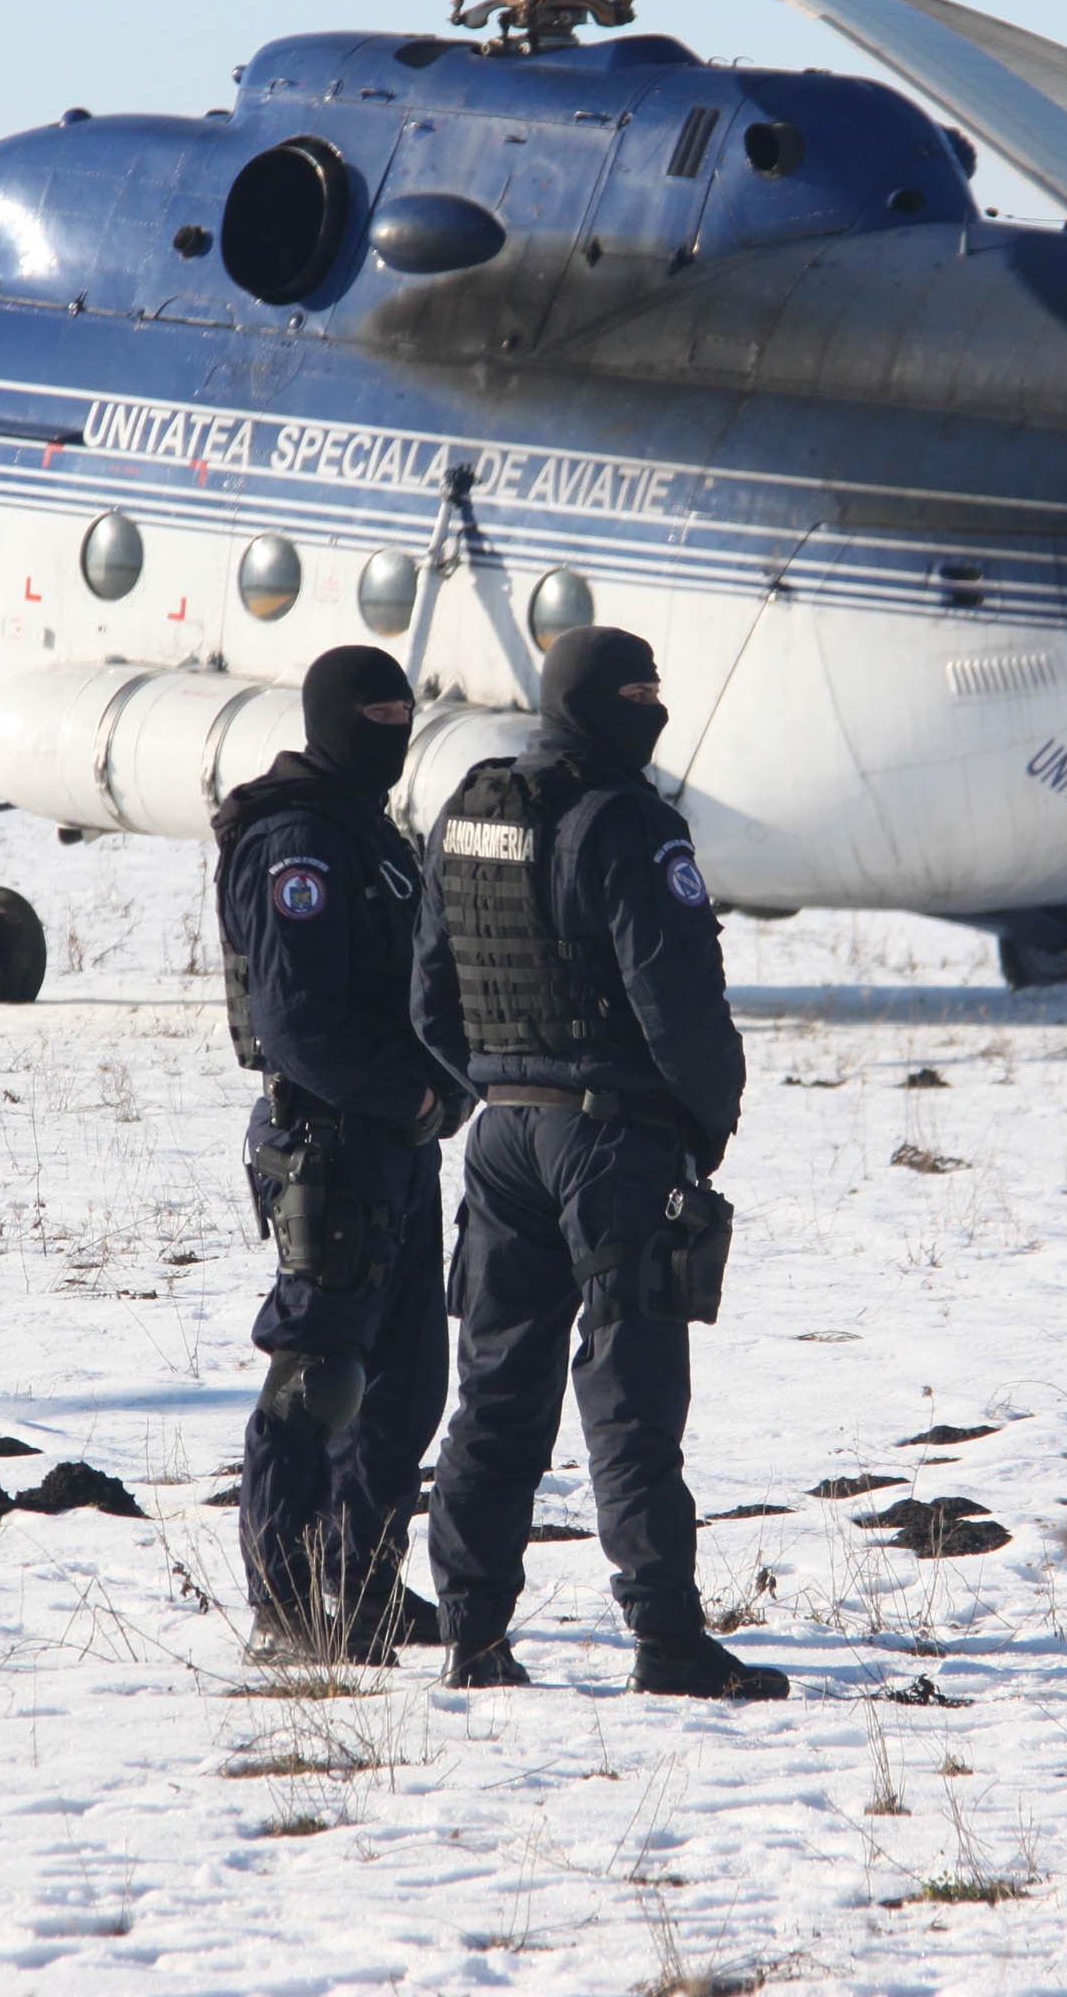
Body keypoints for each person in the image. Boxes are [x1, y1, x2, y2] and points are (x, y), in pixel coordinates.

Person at [412, 623, 779, 1700]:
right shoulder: (630, 823)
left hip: (502, 1141)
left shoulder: (469, 808)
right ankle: (665, 1639)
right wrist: (706, 1124)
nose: (656, 710)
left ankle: (472, 1634)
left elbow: (428, 997)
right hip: (612, 1141)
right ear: (604, 706)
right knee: (629, 1392)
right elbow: (684, 1006)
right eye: (640, 692)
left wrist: (494, 1085)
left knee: (496, 1391)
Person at [215, 643, 468, 1662]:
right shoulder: (299, 844)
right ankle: (285, 1602)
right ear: (330, 718)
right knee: (319, 1376)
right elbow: (296, 1022)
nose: (395, 727)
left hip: (397, 1143)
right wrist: (407, 1087)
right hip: (329, 1145)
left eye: (405, 709)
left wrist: (443, 1084)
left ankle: (362, 1582)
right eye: (375, 711)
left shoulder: (373, 833)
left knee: (406, 1382)